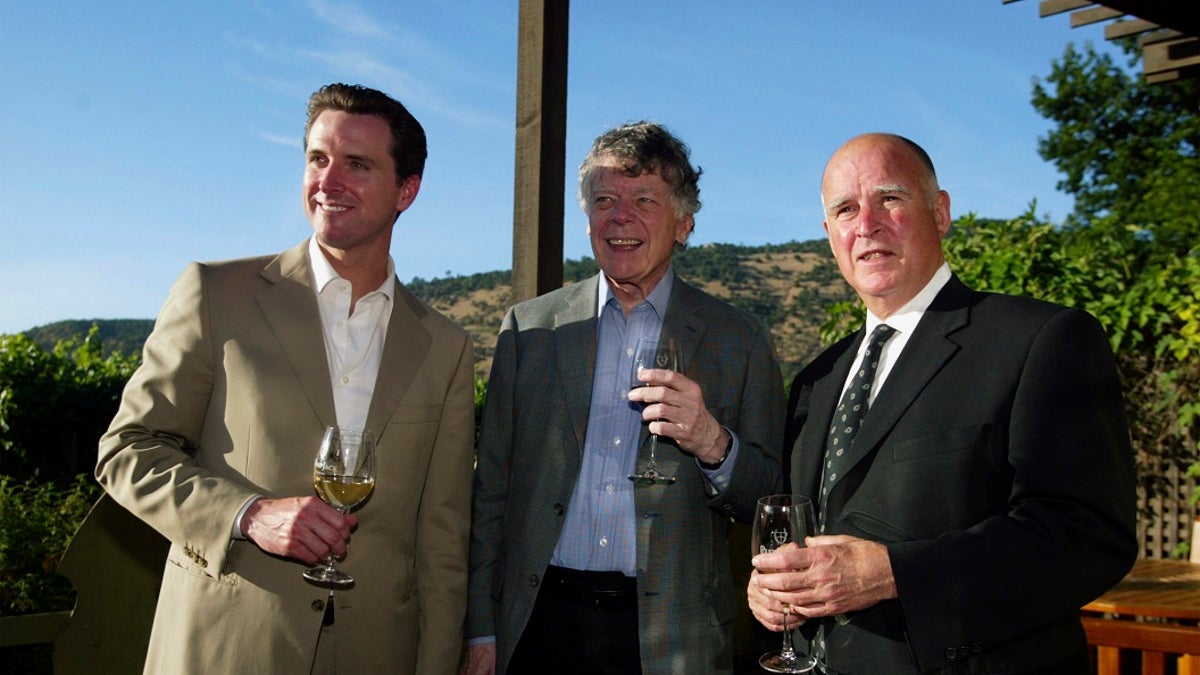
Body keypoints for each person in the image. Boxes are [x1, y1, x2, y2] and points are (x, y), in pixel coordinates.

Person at [96, 83, 475, 674]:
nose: (329, 181)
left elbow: (443, 541)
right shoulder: (215, 294)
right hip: (226, 644)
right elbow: (127, 450)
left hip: (378, 653)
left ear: (407, 190)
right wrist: (247, 514)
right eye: (317, 158)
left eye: (357, 164)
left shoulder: (447, 347)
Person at [747, 132, 1137, 674]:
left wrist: (892, 573)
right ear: (830, 234)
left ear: (941, 211)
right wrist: (772, 590)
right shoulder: (818, 377)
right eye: (845, 209)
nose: (867, 224)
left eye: (890, 198)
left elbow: (1086, 537)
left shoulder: (1041, 340)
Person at [463, 122, 785, 675]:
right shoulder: (530, 329)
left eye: (644, 201)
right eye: (605, 200)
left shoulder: (741, 340)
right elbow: (491, 488)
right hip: (538, 625)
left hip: (671, 639)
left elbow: (772, 498)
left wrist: (713, 443)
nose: (620, 217)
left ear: (684, 225)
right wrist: (481, 630)